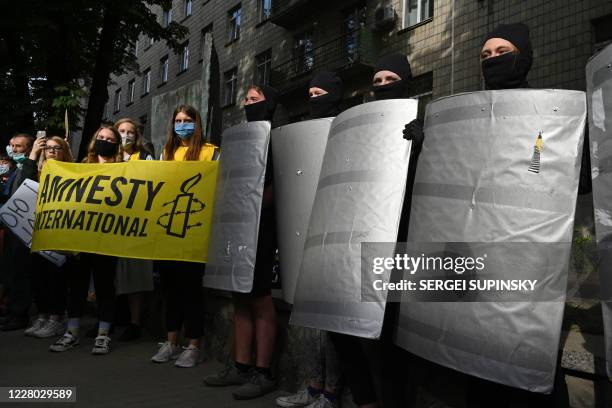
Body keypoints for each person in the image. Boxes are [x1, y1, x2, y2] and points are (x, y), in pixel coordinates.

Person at [466, 23, 570, 408]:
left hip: (528, 251)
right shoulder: (471, 115)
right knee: (478, 356)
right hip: (477, 251)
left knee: (530, 353)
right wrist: (433, 145)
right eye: (485, 56)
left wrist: (545, 155)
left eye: (502, 51)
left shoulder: (546, 114)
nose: (493, 60)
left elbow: (540, 167)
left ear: (523, 57)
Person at [326, 54, 424, 408]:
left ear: (407, 82)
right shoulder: (363, 126)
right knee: (340, 328)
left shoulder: (425, 124)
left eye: (390, 80)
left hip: (400, 246)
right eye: (377, 81)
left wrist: (422, 149)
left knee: (390, 340)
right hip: (357, 240)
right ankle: (365, 399)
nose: (383, 86)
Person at [204, 85, 279, 400]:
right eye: (246, 99)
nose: (249, 103)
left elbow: (274, 188)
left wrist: (250, 210)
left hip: (260, 231)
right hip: (235, 229)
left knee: (260, 297)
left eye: (256, 99)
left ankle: (263, 374)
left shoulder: (274, 140)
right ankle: (240, 366)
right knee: (240, 297)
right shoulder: (239, 143)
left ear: (269, 104)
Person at [276, 71, 343, 408]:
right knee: (311, 323)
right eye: (311, 92)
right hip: (307, 231)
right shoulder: (304, 133)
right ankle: (314, 387)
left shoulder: (348, 127)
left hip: (338, 237)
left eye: (321, 92)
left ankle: (331, 393)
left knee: (331, 327)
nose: (314, 98)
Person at [150, 105, 219, 368]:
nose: (182, 125)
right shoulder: (166, 152)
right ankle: (170, 342)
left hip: (195, 231)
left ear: (197, 123)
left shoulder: (211, 151)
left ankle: (193, 345)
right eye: (177, 120)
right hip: (168, 229)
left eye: (187, 120)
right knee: (170, 289)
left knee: (191, 289)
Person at [49, 125, 123, 355]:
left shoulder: (125, 170)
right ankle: (71, 333)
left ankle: (103, 335)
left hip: (107, 239)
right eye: (100, 137)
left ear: (116, 144)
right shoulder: (81, 166)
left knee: (104, 287)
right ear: (93, 140)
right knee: (77, 285)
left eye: (109, 139)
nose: (104, 141)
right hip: (80, 239)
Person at [22, 136, 73, 338]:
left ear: (64, 151)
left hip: (60, 234)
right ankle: (42, 316)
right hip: (37, 232)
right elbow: (22, 186)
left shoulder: (72, 172)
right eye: (48, 148)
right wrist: (33, 154)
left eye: (56, 147)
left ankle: (56, 318)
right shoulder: (37, 172)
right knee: (39, 275)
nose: (51, 151)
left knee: (56, 277)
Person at [113, 118, 154, 342]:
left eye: (130, 131)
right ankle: (108, 320)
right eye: (121, 131)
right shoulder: (109, 155)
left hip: (135, 224)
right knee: (109, 274)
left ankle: (134, 323)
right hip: (110, 224)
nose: (126, 135)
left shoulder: (144, 156)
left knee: (135, 274)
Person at [0, 134, 35, 331]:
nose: (13, 149)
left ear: (28, 150)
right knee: (10, 270)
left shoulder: (30, 167)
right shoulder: (15, 169)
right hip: (12, 227)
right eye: (11, 145)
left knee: (21, 272)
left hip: (24, 228)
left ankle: (20, 315)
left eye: (18, 146)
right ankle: (12, 311)